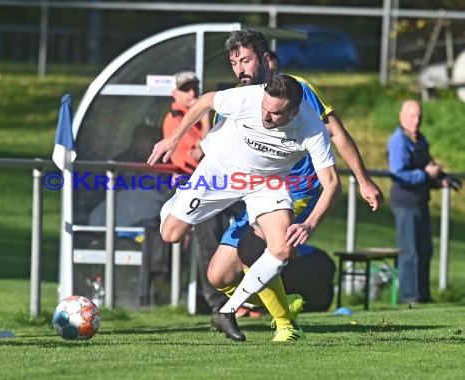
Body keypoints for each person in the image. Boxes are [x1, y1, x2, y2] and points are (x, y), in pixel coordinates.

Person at [206, 29, 383, 342]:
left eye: (245, 60)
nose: (240, 69)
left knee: (251, 250)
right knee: (219, 275)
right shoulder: (234, 100)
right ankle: (284, 305)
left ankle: (286, 326)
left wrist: (364, 180)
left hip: (296, 190)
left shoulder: (298, 89)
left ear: (265, 59)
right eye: (234, 63)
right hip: (255, 194)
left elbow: (337, 133)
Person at [148, 74, 342, 342]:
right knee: (170, 234)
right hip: (221, 171)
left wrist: (310, 223)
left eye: (274, 114)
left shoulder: (311, 127)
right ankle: (180, 197)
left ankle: (228, 312)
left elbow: (332, 184)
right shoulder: (248, 98)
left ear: (294, 111)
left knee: (282, 247)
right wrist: (174, 139)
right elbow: (206, 101)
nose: (265, 116)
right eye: (264, 108)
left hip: (267, 183)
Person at [162, 71, 239, 323]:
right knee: (208, 244)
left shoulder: (198, 119)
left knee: (229, 239)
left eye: (196, 88)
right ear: (175, 94)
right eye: (186, 89)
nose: (193, 93)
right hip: (192, 187)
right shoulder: (175, 120)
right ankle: (218, 305)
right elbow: (196, 157)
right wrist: (205, 117)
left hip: (216, 186)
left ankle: (236, 298)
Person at [387, 100, 446, 304]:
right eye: (412, 116)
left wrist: (439, 179)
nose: (417, 120)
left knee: (425, 250)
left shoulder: (420, 139)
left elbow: (426, 167)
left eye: (419, 116)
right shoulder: (399, 141)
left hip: (421, 202)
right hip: (405, 203)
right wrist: (425, 174)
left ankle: (424, 295)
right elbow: (399, 174)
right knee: (409, 252)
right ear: (401, 117)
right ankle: (409, 297)